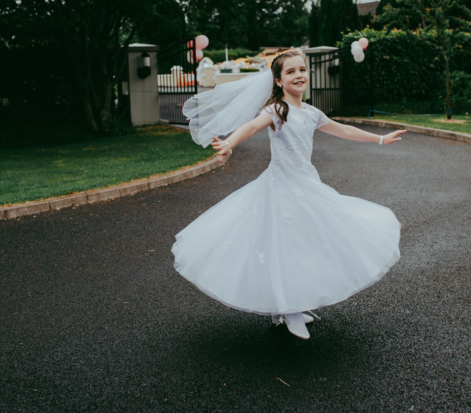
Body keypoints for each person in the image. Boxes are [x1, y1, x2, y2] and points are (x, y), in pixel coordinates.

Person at [171, 50, 405, 339]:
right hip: (280, 187)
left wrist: (380, 138)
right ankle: (289, 309)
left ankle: (286, 307)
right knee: (285, 246)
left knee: (305, 245)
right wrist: (229, 143)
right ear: (279, 81)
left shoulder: (311, 112)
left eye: (302, 70)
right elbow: (251, 126)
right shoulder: (277, 111)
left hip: (307, 185)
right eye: (291, 72)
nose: (299, 75)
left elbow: (342, 130)